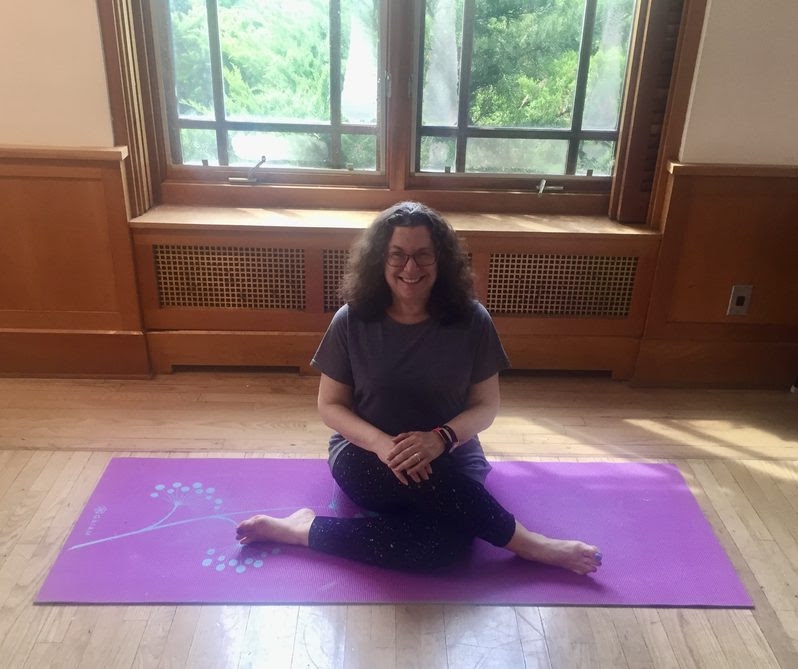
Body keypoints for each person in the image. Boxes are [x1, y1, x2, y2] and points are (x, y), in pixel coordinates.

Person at [236, 201, 602, 575]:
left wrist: (439, 439)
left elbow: (486, 406)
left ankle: (301, 530)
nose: (410, 268)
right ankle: (530, 544)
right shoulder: (351, 320)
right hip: (367, 457)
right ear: (380, 260)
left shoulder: (473, 320)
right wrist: (382, 444)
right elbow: (330, 406)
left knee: (443, 548)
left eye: (423, 255)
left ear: (440, 260)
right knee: (439, 503)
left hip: (450, 456)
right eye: (398, 255)